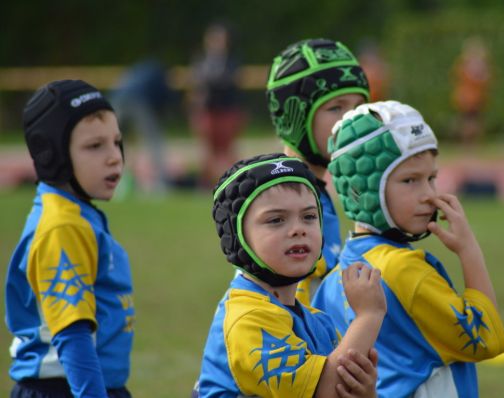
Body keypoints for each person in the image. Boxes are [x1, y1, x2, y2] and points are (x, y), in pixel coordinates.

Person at [313, 101, 504, 397]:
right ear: (362, 189)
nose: (429, 195)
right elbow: (485, 337)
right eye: (410, 180)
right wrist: (469, 250)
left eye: (431, 178)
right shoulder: (405, 270)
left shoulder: (334, 277)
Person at [192, 153, 386, 398]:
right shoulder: (248, 319)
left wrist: (363, 393)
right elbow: (327, 391)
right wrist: (369, 315)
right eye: (276, 220)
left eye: (309, 217)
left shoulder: (317, 321)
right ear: (237, 235)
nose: (298, 230)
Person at [5, 80, 134, 398]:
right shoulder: (62, 227)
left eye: (117, 142)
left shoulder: (77, 214)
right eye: (95, 146)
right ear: (53, 154)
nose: (114, 157)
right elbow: (72, 334)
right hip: (65, 389)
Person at [266, 38, 370, 305]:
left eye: (359, 107)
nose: (353, 119)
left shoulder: (316, 193)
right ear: (295, 118)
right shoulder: (287, 202)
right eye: (336, 108)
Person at [188, 22, 246, 187]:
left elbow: (228, 83)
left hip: (227, 110)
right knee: (207, 150)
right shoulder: (201, 62)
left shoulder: (232, 62)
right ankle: (206, 183)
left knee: (227, 150)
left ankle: (233, 181)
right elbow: (197, 88)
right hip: (208, 111)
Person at [111, 58, 175, 193]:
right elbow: (162, 101)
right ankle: (161, 183)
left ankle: (115, 181)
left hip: (118, 100)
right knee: (154, 142)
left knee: (113, 143)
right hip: (139, 101)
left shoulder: (137, 69)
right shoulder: (160, 74)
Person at [451, 36, 492, 146]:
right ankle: (467, 144)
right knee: (468, 121)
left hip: (477, 98)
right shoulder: (464, 64)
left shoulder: (481, 64)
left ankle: (473, 144)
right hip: (467, 98)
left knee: (475, 121)